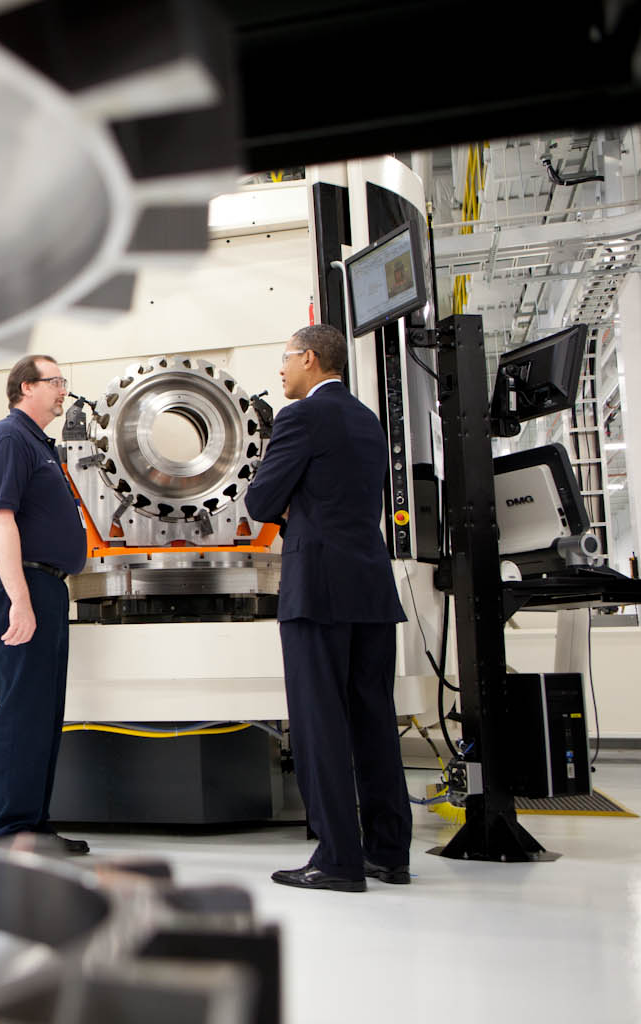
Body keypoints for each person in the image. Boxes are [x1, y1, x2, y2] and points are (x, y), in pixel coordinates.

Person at [244, 324, 413, 892]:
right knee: (373, 722)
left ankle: (337, 859)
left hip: (318, 590)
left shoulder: (300, 418)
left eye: (286, 359)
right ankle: (389, 852)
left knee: (320, 724)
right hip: (370, 588)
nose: (282, 370)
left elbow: (261, 500)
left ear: (310, 359)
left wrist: (295, 511)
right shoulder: (367, 419)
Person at [0, 354, 89, 855]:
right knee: (23, 712)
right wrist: (20, 599)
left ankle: (34, 828)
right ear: (26, 386)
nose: (63, 390)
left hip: (45, 586)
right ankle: (10, 834)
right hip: (17, 586)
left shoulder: (39, 444)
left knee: (44, 712)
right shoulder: (7, 438)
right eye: (55, 382)